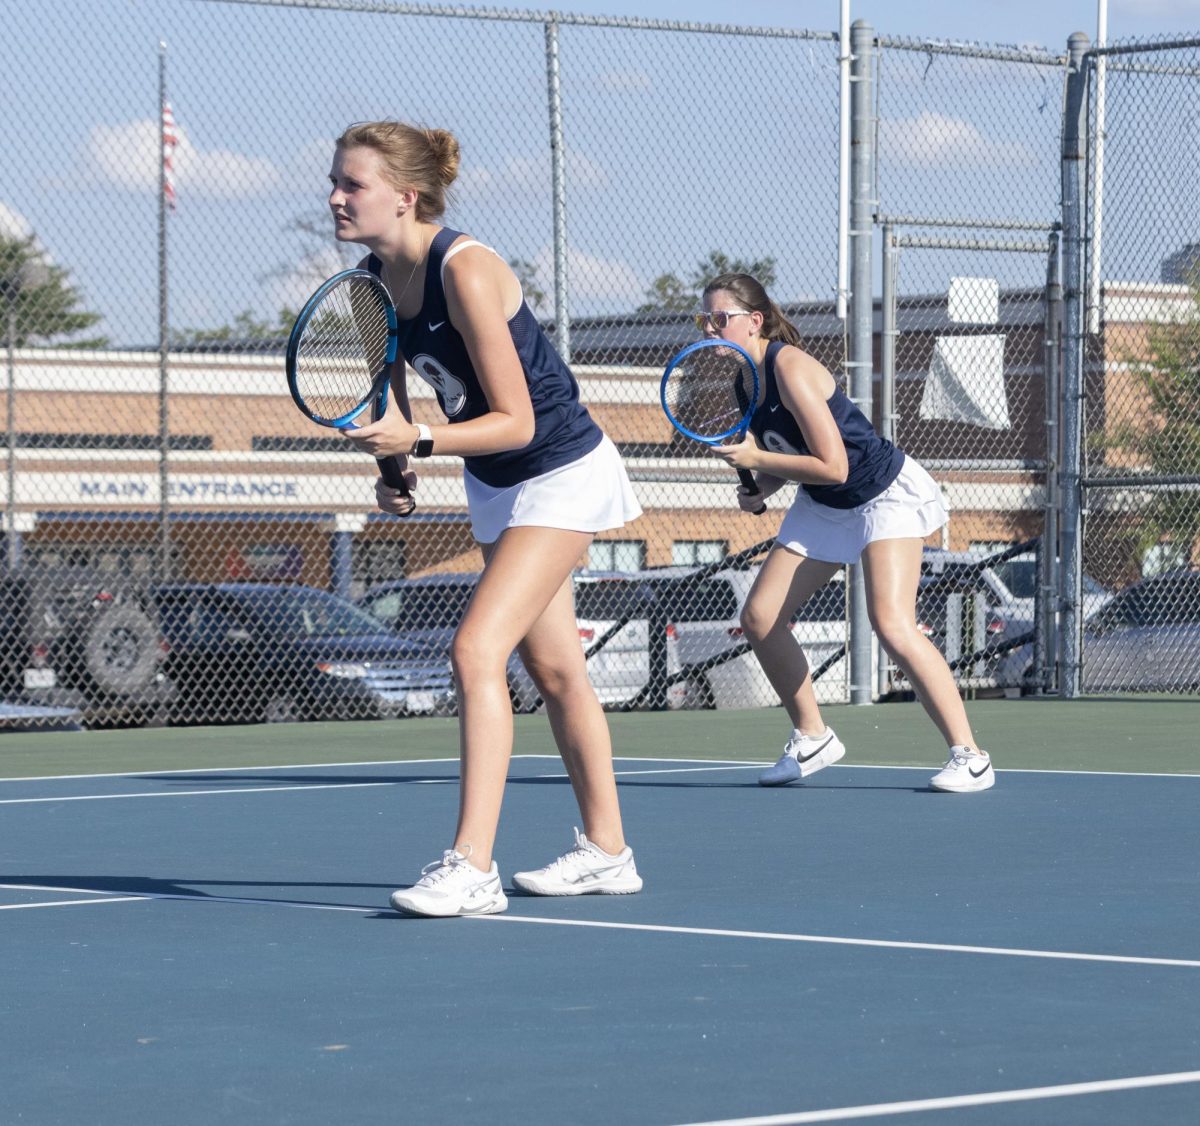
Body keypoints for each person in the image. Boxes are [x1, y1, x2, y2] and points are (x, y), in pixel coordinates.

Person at [329, 121, 645, 915]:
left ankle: (471, 866)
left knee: (476, 649)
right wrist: (393, 467)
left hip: (560, 468)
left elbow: (519, 420)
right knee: (555, 670)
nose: (335, 198)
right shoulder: (371, 285)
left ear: (405, 198)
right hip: (497, 485)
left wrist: (424, 438)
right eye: (334, 184)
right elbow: (391, 396)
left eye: (352, 185)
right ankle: (610, 852)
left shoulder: (467, 269)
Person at [700, 273, 995, 794]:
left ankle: (970, 757)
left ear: (754, 321)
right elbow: (794, 461)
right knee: (760, 616)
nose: (710, 327)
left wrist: (756, 459)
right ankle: (812, 735)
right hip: (826, 504)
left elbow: (834, 464)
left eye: (720, 318)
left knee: (892, 623)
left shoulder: (790, 368)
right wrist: (762, 485)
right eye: (706, 319)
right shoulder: (745, 382)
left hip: (883, 493)